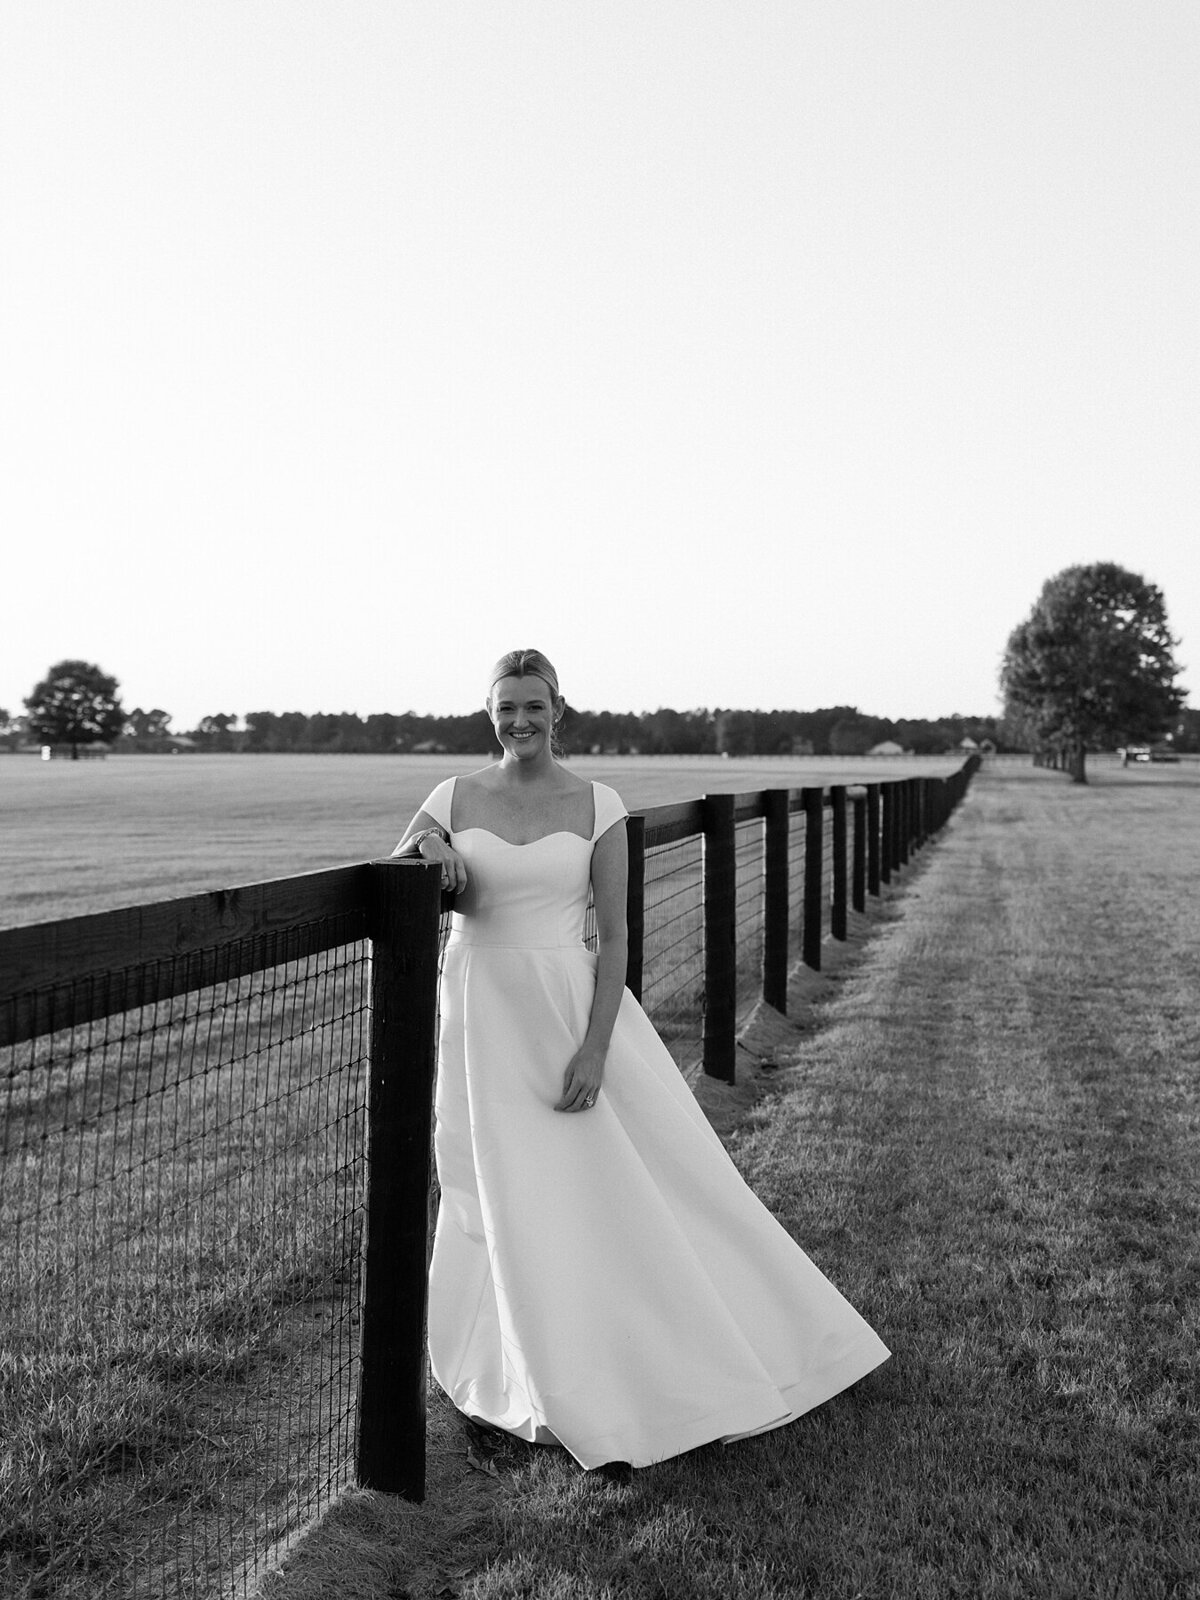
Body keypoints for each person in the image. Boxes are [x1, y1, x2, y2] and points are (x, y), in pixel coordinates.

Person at [393, 648, 889, 1470]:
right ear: (489, 712)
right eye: (506, 707)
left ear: (558, 711)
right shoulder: (451, 796)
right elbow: (402, 861)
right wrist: (424, 841)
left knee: (600, 1183)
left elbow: (617, 938)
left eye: (534, 706)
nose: (520, 720)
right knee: (490, 1185)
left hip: (566, 1011)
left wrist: (594, 1049)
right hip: (478, 1016)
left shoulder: (600, 805)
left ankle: (643, 1354)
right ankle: (514, 1361)